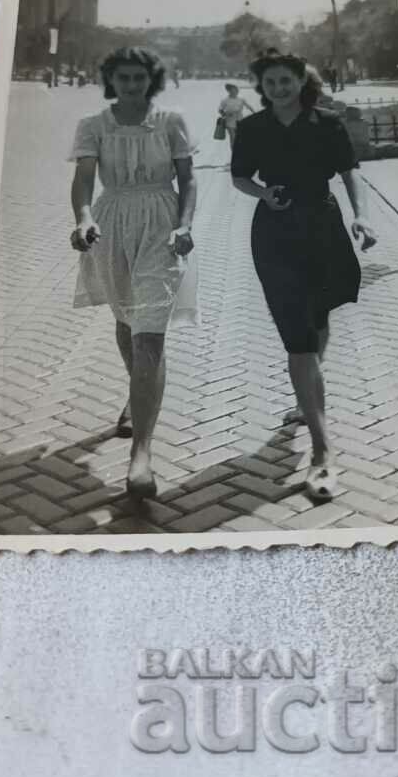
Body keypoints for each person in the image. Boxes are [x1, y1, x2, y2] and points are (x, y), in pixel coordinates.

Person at [231, 52, 376, 502]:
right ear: (262, 86)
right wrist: (262, 191)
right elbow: (239, 177)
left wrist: (362, 218)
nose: (278, 88)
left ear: (301, 80)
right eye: (270, 82)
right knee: (298, 339)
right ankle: (321, 450)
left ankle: (306, 396)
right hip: (275, 233)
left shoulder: (328, 123)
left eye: (286, 80)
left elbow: (351, 171)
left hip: (323, 227)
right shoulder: (253, 128)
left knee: (319, 320)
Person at [68, 46, 198, 500]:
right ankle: (137, 396)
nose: (131, 85)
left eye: (138, 77)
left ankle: (141, 455)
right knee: (126, 322)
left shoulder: (171, 122)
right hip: (113, 227)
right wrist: (84, 218)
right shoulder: (94, 126)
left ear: (151, 79)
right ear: (111, 80)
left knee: (150, 335)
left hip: (162, 228)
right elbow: (84, 182)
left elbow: (189, 179)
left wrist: (184, 224)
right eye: (122, 77)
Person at [218, 83, 255, 149]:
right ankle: (234, 152)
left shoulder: (241, 99)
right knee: (233, 137)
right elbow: (220, 110)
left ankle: (240, 150)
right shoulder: (225, 100)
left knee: (240, 137)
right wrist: (226, 114)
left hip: (240, 120)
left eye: (236, 90)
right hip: (229, 122)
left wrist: (255, 113)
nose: (236, 91)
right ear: (229, 91)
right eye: (233, 90)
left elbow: (249, 107)